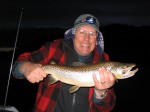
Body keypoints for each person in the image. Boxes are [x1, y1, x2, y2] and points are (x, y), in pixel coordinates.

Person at [12, 14, 116, 112]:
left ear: (97, 39)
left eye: (92, 34)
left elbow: (107, 107)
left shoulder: (103, 61)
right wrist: (25, 67)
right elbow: (17, 66)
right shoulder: (54, 48)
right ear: (73, 34)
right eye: (82, 32)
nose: (86, 39)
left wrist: (100, 92)